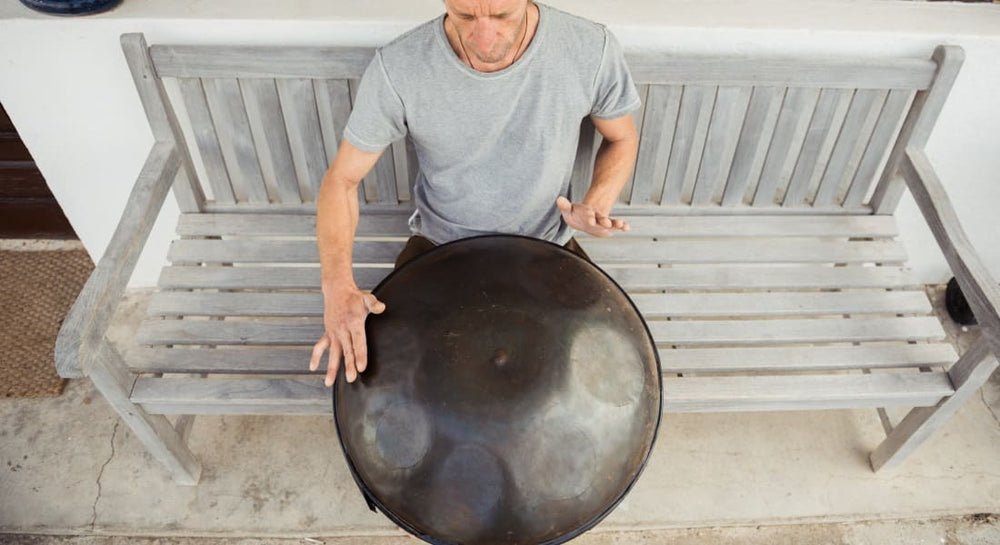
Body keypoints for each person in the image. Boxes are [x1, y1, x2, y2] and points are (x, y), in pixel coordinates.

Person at [309, 0, 641, 387]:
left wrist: (597, 201)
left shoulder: (589, 47)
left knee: (585, 380)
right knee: (395, 381)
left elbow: (622, 137)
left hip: (546, 244)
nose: (484, 37)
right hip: (439, 247)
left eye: (502, 15)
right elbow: (341, 181)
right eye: (465, 15)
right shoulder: (401, 66)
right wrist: (337, 287)